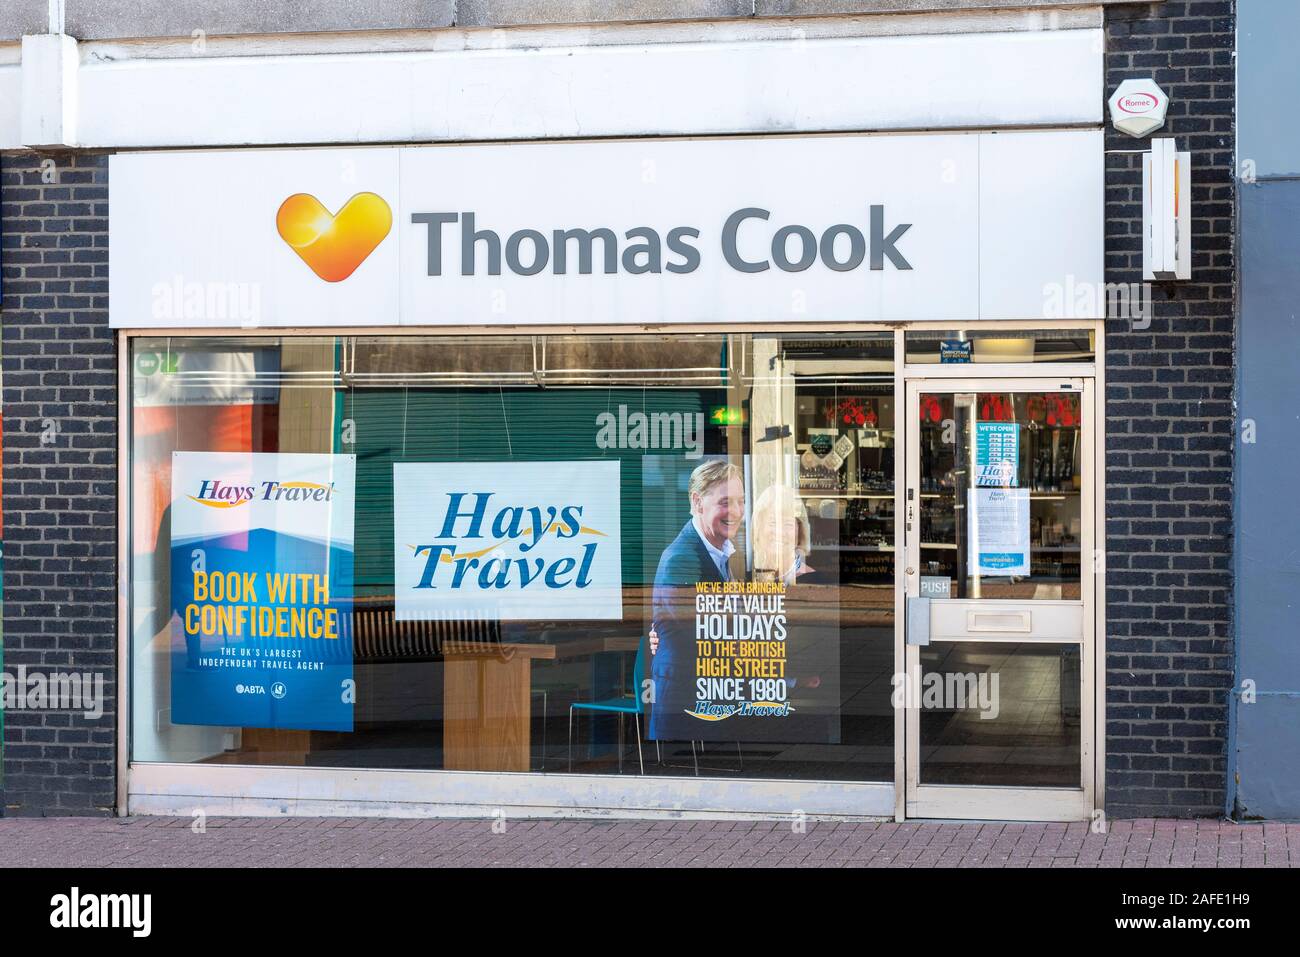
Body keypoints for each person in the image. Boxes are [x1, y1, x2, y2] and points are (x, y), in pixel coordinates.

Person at [647, 460, 744, 741]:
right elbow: (704, 632)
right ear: (697, 502)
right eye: (725, 502)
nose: (736, 512)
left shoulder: (719, 551)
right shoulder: (683, 558)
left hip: (706, 693)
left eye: (740, 502)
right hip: (685, 700)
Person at [750, 484, 814, 586]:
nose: (780, 532)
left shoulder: (812, 582)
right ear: (759, 529)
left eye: (788, 524)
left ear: (800, 533)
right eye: (773, 523)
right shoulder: (748, 577)